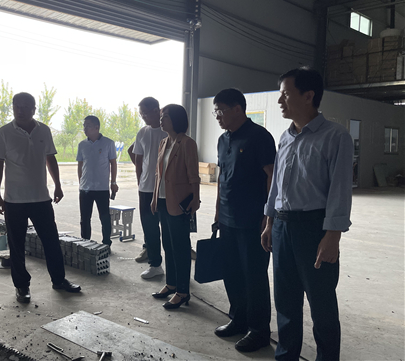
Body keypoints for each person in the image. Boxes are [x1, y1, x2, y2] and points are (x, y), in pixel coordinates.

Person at [261, 67, 353, 361]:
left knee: (321, 304)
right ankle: (286, 355)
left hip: (314, 229)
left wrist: (332, 236)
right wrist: (269, 222)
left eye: (285, 94)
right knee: (286, 301)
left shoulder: (335, 136)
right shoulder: (285, 137)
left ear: (308, 95)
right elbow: (276, 185)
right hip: (282, 227)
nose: (280, 101)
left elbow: (340, 190)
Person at [0, 92, 81, 304]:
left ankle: (59, 280)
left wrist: (58, 185)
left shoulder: (44, 130)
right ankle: (22, 286)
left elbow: (50, 158)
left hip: (41, 198)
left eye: (25, 107)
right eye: (17, 106)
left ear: (34, 109)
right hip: (14, 200)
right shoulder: (4, 133)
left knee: (51, 241)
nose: (20, 110)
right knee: (17, 246)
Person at [212, 89, 276, 353]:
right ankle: (238, 319)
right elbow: (222, 178)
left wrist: (268, 217)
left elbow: (272, 177)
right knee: (232, 272)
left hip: (252, 221)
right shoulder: (222, 140)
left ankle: (259, 330)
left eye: (220, 111)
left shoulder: (259, 137)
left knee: (254, 276)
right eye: (215, 112)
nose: (217, 116)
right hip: (228, 219)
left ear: (237, 109)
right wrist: (218, 212)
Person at [151, 104, 200, 309]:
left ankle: (182, 291)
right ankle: (171, 284)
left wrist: (196, 198)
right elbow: (158, 174)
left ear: (176, 120)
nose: (161, 120)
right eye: (161, 117)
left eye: (166, 117)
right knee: (168, 245)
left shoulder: (187, 143)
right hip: (163, 200)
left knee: (180, 248)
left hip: (180, 202)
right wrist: (154, 198)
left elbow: (193, 175)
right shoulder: (164, 142)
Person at [127, 97, 168, 278]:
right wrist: (140, 183)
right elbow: (138, 160)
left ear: (156, 111)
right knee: (150, 228)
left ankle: (174, 267)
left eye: (145, 113)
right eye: (141, 114)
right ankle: (155, 265)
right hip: (146, 189)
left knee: (167, 229)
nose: (143, 117)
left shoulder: (168, 132)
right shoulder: (142, 132)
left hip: (166, 190)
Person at [77, 115, 118, 247]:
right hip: (85, 188)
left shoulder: (108, 143)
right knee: (85, 218)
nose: (85, 128)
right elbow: (80, 165)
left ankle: (106, 243)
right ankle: (85, 243)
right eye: (84, 126)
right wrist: (80, 182)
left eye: (88, 126)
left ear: (96, 127)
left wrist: (113, 182)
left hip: (102, 188)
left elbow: (113, 163)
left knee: (104, 217)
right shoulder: (82, 145)